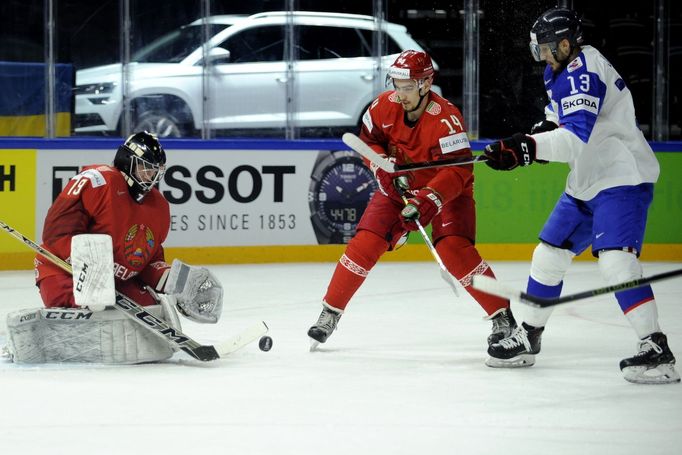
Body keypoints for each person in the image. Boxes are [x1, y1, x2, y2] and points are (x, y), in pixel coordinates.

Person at [482, 8, 679, 384]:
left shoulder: (583, 73)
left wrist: (525, 148)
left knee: (616, 263)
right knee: (548, 255)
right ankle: (530, 336)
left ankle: (655, 348)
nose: (540, 54)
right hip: (588, 180)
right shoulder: (560, 68)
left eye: (545, 47)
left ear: (566, 44)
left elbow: (573, 139)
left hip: (621, 177)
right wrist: (541, 131)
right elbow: (562, 119)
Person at [307, 50, 515, 352]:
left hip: (446, 193)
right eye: (396, 85)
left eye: (406, 87)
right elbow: (369, 141)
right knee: (365, 242)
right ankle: (330, 312)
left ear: (425, 84)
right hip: (396, 189)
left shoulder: (447, 120)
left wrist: (429, 199)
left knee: (454, 250)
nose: (399, 94)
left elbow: (458, 169)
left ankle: (503, 316)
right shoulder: (382, 106)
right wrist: (380, 166)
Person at [5, 132, 223, 364]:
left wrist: (174, 280)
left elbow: (147, 261)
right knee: (92, 309)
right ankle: (47, 337)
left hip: (117, 281)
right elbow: (55, 234)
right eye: (144, 168)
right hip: (64, 271)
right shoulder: (98, 181)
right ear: (127, 161)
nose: (149, 177)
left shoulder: (159, 206)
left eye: (154, 171)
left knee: (151, 313)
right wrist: (92, 269)